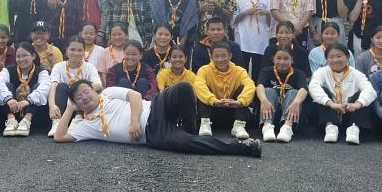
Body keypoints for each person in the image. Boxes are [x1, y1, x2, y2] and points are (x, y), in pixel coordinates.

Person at [54, 80, 261, 158]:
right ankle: (242, 147)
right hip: (153, 133)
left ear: (93, 90)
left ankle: (188, 130)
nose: (84, 97)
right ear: (77, 104)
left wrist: (133, 121)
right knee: (188, 145)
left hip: (155, 107)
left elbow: (134, 96)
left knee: (183, 87)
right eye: (79, 98)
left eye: (86, 91)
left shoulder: (107, 93)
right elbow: (60, 136)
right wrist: (69, 109)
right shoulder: (87, 125)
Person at [308, 43, 376, 144]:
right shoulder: (321, 72)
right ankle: (330, 127)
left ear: (347, 57)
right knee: (322, 91)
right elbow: (313, 87)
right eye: (331, 57)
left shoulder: (356, 73)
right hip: (330, 113)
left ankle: (354, 128)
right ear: (327, 59)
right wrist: (331, 104)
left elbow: (370, 91)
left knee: (361, 95)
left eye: (339, 56)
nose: (335, 60)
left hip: (349, 113)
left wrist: (357, 104)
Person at [194, 41, 255, 139]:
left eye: (223, 56)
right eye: (216, 56)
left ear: (230, 56)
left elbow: (250, 86)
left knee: (243, 88)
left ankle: (239, 125)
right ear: (211, 57)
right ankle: (205, 123)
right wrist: (214, 101)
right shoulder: (204, 70)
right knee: (203, 90)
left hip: (233, 111)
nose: (220, 60)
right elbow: (199, 86)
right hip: (211, 112)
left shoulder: (240, 71)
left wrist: (240, 102)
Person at [47, 36, 102, 137]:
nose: (76, 53)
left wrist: (80, 91)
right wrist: (52, 106)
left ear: (84, 52)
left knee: (83, 88)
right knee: (61, 86)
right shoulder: (58, 66)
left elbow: (98, 86)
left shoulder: (89, 67)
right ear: (66, 50)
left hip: (82, 107)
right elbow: (53, 87)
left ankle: (78, 119)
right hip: (63, 105)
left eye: (80, 50)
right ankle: (57, 122)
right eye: (72, 49)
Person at [0, 42, 51, 137]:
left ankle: (27, 119)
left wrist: (28, 101)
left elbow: (44, 88)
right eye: (18, 56)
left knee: (38, 86)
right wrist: (9, 99)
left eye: (25, 55)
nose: (21, 59)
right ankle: (11, 120)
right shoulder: (8, 70)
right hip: (8, 114)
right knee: (6, 85)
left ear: (33, 56)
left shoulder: (42, 72)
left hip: (34, 117)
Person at [256, 45, 308, 143]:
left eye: (286, 58)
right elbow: (259, 86)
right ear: (273, 59)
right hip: (270, 111)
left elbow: (304, 89)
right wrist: (263, 100)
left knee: (294, 92)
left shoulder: (298, 73)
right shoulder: (266, 71)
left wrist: (296, 103)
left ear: (292, 60)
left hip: (290, 112)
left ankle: (287, 127)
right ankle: (267, 126)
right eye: (279, 58)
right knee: (268, 90)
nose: (282, 62)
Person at [231, 0, 271, 81]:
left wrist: (267, 13)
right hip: (243, 39)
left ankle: (257, 91)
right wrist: (246, 13)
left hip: (261, 41)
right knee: (241, 71)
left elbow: (270, 24)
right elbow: (234, 20)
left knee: (258, 72)